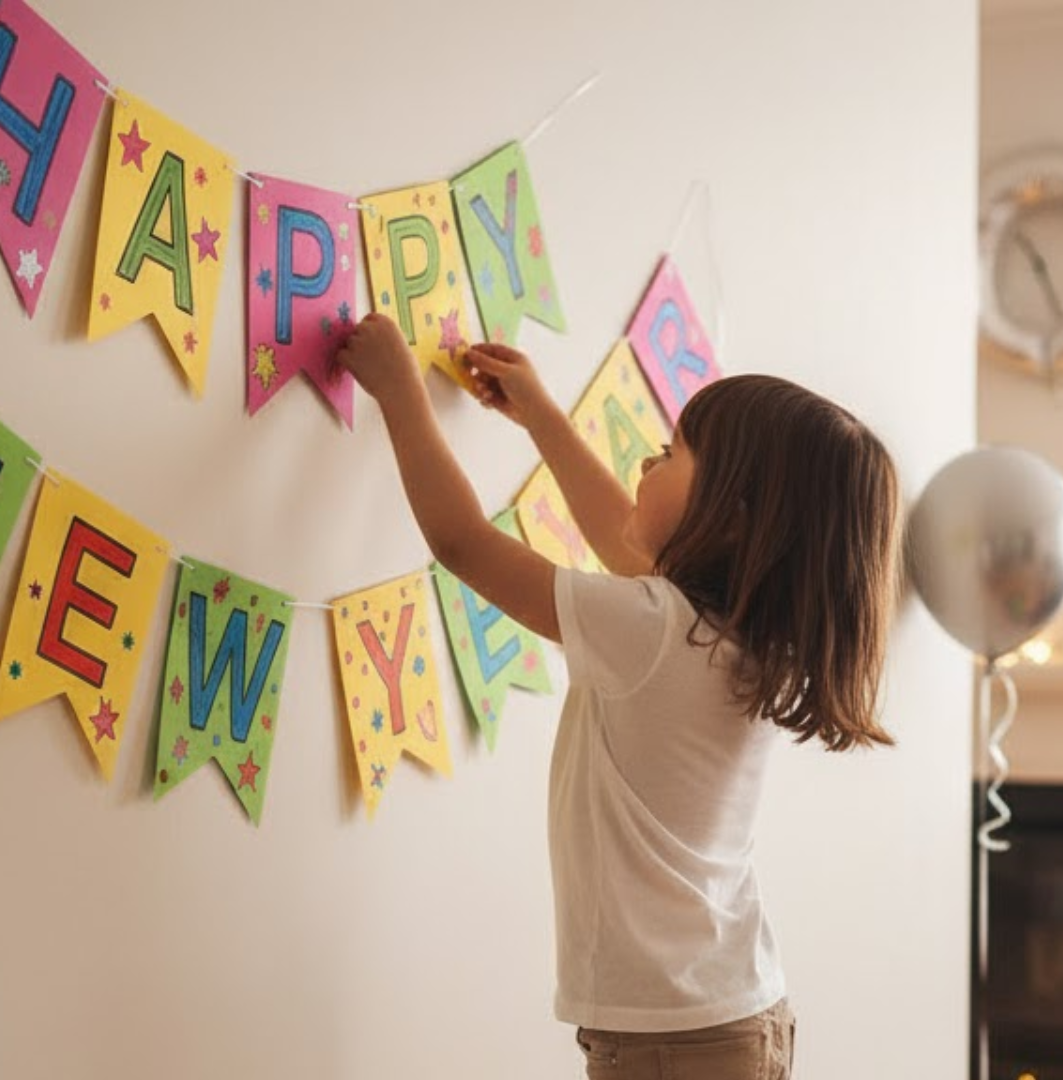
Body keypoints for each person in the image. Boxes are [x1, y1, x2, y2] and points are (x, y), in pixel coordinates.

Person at [335, 314, 900, 1080]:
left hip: (673, 1038)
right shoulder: (742, 634)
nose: (645, 460)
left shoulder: (657, 631)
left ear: (730, 521)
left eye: (671, 455)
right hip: (729, 1013)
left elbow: (462, 543)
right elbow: (622, 534)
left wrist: (401, 390)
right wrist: (539, 417)